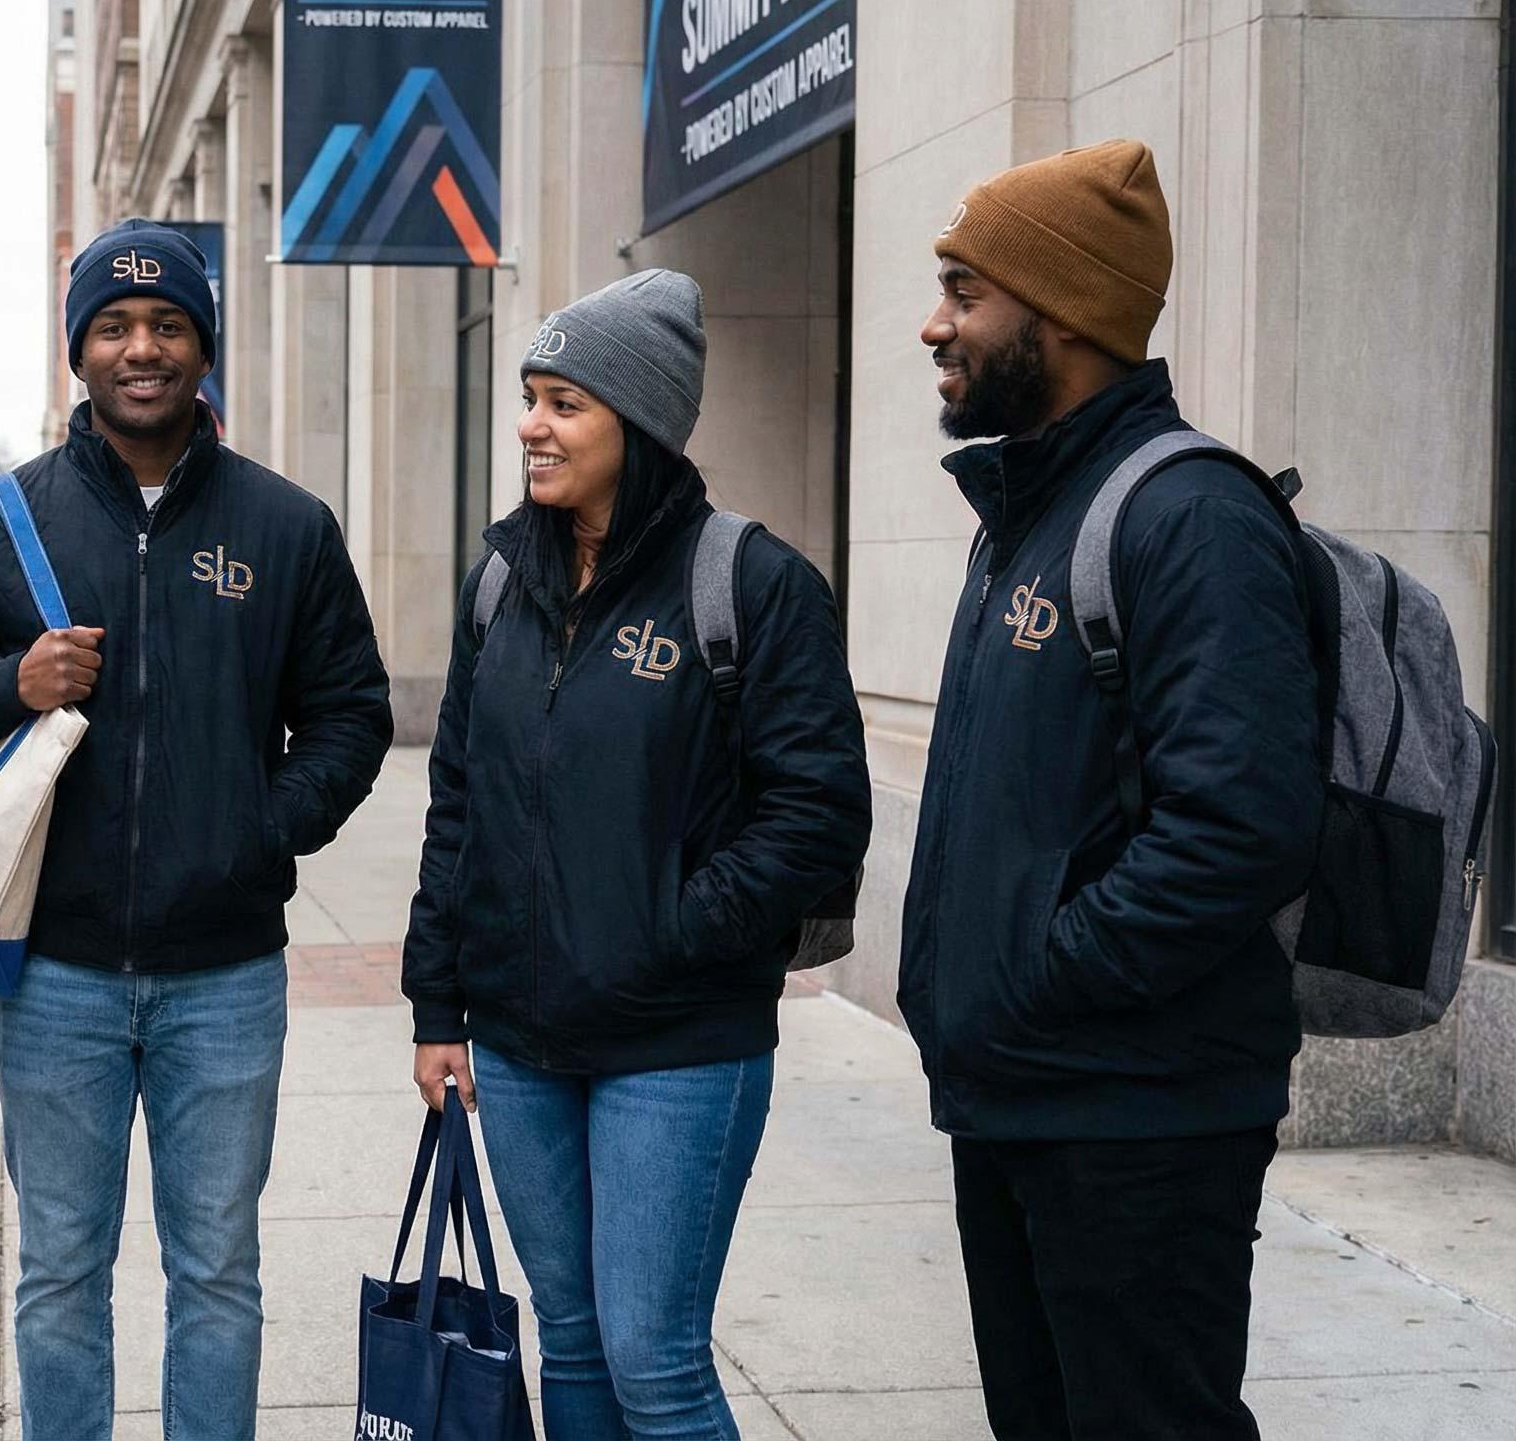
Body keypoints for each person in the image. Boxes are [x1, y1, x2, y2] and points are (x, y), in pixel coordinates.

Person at [0, 218, 392, 1440]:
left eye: (165, 325)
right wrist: (10, 682)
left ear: (203, 348)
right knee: (60, 1274)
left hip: (227, 975)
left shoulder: (285, 526)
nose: (140, 348)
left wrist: (264, 832)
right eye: (112, 326)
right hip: (56, 970)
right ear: (78, 350)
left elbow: (351, 714)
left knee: (216, 1271)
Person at [901, 140, 1324, 1440]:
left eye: (964, 292)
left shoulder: (1190, 517)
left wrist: (1044, 973)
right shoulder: (1026, 516)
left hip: (1136, 1116)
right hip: (1025, 1094)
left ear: (1065, 310)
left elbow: (1239, 830)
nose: (933, 326)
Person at [402, 270, 871, 1440]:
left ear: (641, 421)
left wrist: (675, 930)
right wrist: (437, 1002)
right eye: (529, 398)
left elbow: (818, 810)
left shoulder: (749, 584)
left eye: (564, 403)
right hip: (518, 1041)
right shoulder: (500, 583)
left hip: (677, 1040)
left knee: (653, 1363)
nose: (531, 426)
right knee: (569, 1339)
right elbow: (458, 798)